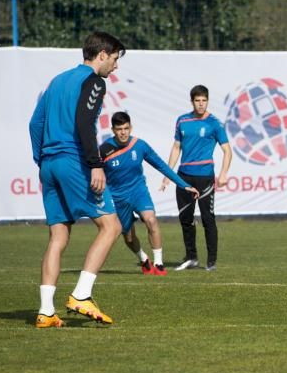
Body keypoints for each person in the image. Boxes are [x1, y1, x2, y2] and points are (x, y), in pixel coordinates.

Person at [28, 31, 126, 328]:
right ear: (102, 55)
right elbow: (85, 123)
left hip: (49, 164)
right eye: (115, 59)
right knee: (112, 225)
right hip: (73, 161)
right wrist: (95, 164)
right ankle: (82, 294)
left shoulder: (57, 81)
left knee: (58, 237)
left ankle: (46, 311)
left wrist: (41, 158)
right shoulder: (94, 81)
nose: (115, 67)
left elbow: (35, 124)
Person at [99, 111, 199, 276]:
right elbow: (94, 174)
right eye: (119, 129)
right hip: (117, 197)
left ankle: (159, 264)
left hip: (138, 191)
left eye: (126, 128)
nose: (123, 132)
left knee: (151, 219)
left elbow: (161, 165)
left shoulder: (140, 145)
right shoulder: (104, 150)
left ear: (131, 127)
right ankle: (144, 259)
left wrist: (184, 185)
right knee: (129, 237)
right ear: (113, 130)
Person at [162, 85, 232, 272]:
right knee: (185, 218)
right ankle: (191, 257)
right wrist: (168, 174)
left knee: (208, 218)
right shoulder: (182, 121)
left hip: (205, 178)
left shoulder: (214, 124)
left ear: (207, 101)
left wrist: (223, 173)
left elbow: (227, 151)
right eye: (197, 101)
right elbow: (176, 147)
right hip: (184, 177)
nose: (201, 104)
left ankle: (211, 261)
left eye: (204, 101)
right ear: (192, 101)